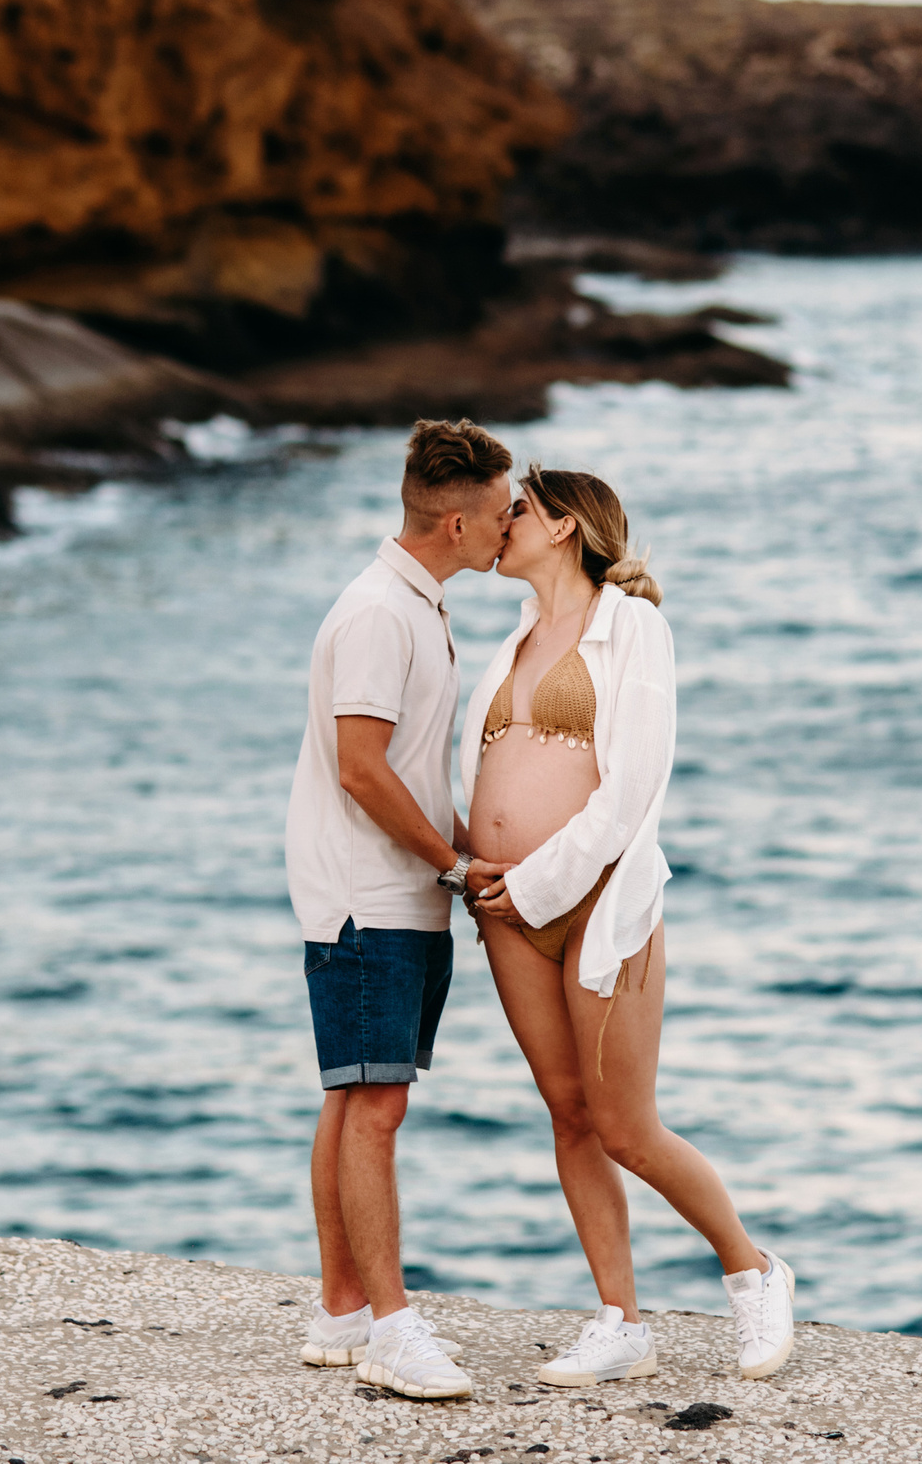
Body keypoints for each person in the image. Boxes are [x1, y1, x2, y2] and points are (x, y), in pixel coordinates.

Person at [461, 466, 796, 1387]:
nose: (501, 521)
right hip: (508, 914)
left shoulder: (633, 624)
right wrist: (473, 863)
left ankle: (754, 1268)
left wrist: (532, 884)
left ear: (565, 524)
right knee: (567, 1114)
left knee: (626, 1126)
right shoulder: (515, 635)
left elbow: (631, 788)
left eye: (517, 508)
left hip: (596, 906)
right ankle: (620, 1321)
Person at [284, 418, 516, 1400]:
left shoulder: (419, 605)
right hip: (366, 895)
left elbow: (409, 770)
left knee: (356, 1097)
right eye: (504, 513)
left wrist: (464, 850)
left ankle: (342, 1307)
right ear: (456, 522)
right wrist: (451, 864)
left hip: (394, 889)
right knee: (374, 1106)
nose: (513, 527)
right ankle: (390, 1327)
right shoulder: (381, 613)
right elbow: (361, 769)